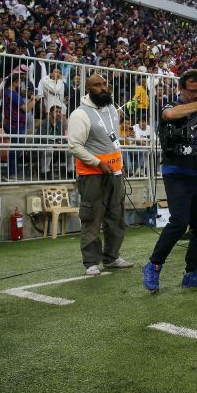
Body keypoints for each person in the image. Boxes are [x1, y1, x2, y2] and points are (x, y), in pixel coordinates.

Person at [141, 69, 197, 293]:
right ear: (180, 89)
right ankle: (153, 265)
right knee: (179, 221)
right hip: (176, 171)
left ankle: (192, 273)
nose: (196, 95)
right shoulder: (169, 106)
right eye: (191, 91)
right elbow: (170, 115)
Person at [67, 72, 133, 275]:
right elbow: (74, 146)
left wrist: (119, 164)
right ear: (88, 89)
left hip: (114, 173)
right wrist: (97, 163)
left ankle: (112, 257)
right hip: (92, 175)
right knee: (92, 217)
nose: (103, 88)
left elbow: (112, 140)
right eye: (97, 85)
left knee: (116, 216)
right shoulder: (80, 113)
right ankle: (91, 262)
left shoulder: (111, 108)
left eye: (105, 84)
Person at [3, 74, 38, 179]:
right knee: (16, 149)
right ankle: (13, 173)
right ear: (13, 82)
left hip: (13, 124)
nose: (20, 84)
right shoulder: (13, 94)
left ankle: (14, 172)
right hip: (16, 125)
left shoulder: (8, 93)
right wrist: (35, 100)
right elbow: (26, 108)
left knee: (16, 149)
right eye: (18, 81)